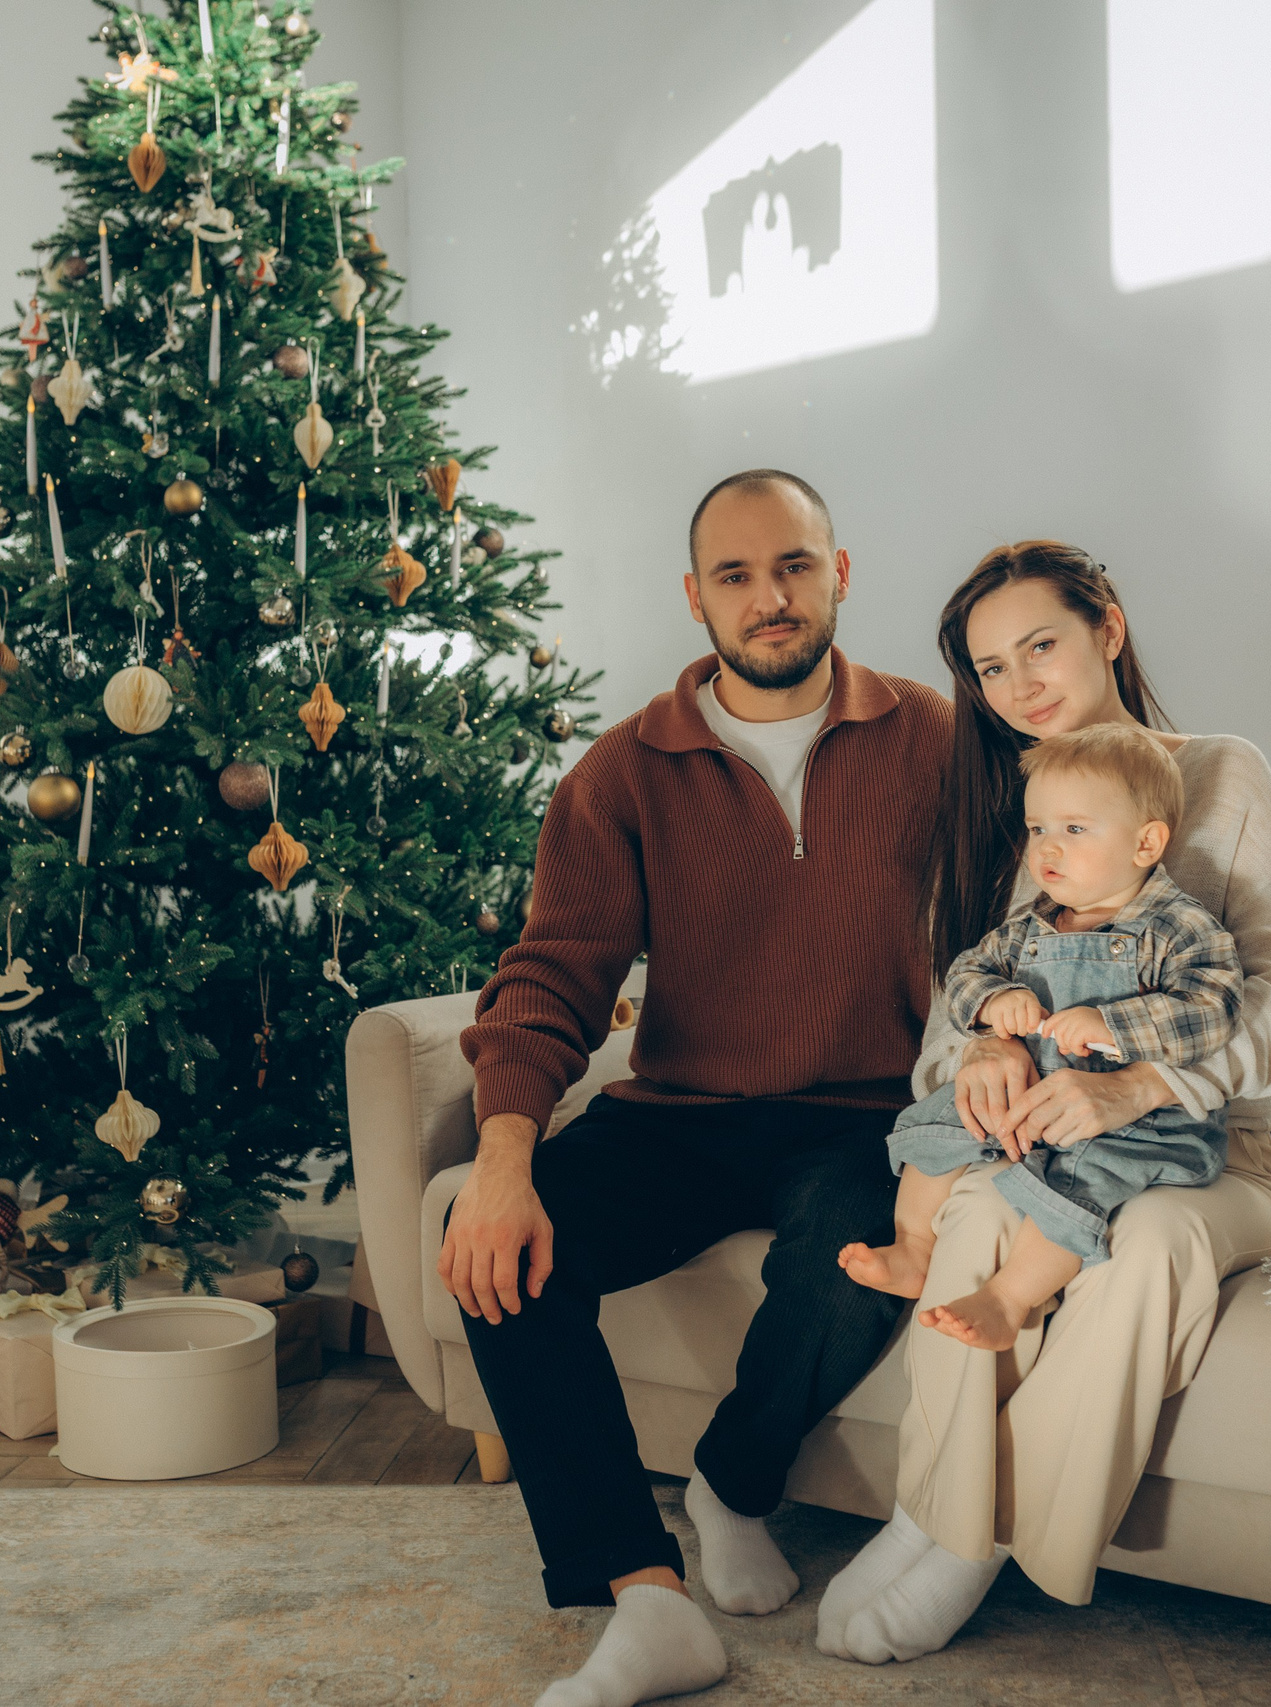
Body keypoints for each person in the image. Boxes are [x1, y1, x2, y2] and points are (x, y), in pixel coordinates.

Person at [441, 469, 953, 1707]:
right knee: (504, 1257)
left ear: (840, 572)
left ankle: (732, 1479)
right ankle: (643, 1594)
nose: (767, 597)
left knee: (858, 1251)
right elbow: (552, 975)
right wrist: (501, 1167)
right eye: (734, 574)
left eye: (791, 565)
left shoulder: (939, 741)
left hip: (866, 1116)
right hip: (680, 1109)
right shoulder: (623, 774)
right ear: (695, 598)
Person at [817, 541, 1271, 1666]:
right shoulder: (1022, 818)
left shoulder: (1220, 777)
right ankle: (926, 1511)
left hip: (1210, 1152)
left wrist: (1138, 1082)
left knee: (1145, 1254)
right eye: (991, 669)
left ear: (1108, 629)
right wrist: (972, 1064)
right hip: (1042, 1140)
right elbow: (968, 1006)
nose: (1020, 683)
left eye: (1039, 644)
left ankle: (972, 1544)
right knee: (975, 1218)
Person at [842, 725, 1243, 1351]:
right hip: (1029, 1096)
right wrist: (994, 1004)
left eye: (1075, 830)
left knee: (1080, 1179)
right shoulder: (1028, 927)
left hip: (1134, 1123)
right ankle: (915, 1247)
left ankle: (1008, 1299)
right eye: (1037, 829)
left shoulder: (1182, 928)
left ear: (1146, 843)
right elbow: (964, 976)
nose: (1046, 849)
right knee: (945, 1118)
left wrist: (1115, 1024)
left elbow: (1213, 1008)